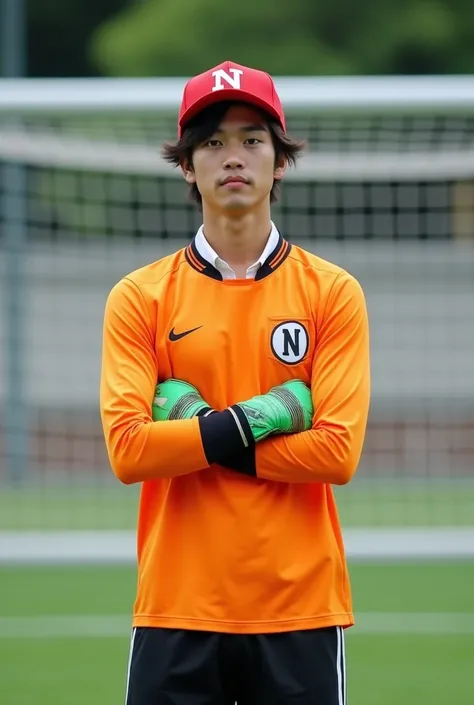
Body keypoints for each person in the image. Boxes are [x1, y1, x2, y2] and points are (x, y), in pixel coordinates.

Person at [100, 59, 371, 705]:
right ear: (186, 165)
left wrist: (196, 427)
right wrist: (271, 412)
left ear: (280, 161)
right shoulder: (140, 297)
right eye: (212, 142)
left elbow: (337, 453)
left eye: (252, 139)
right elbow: (130, 451)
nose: (233, 156)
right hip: (175, 604)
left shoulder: (332, 292)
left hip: (300, 607)